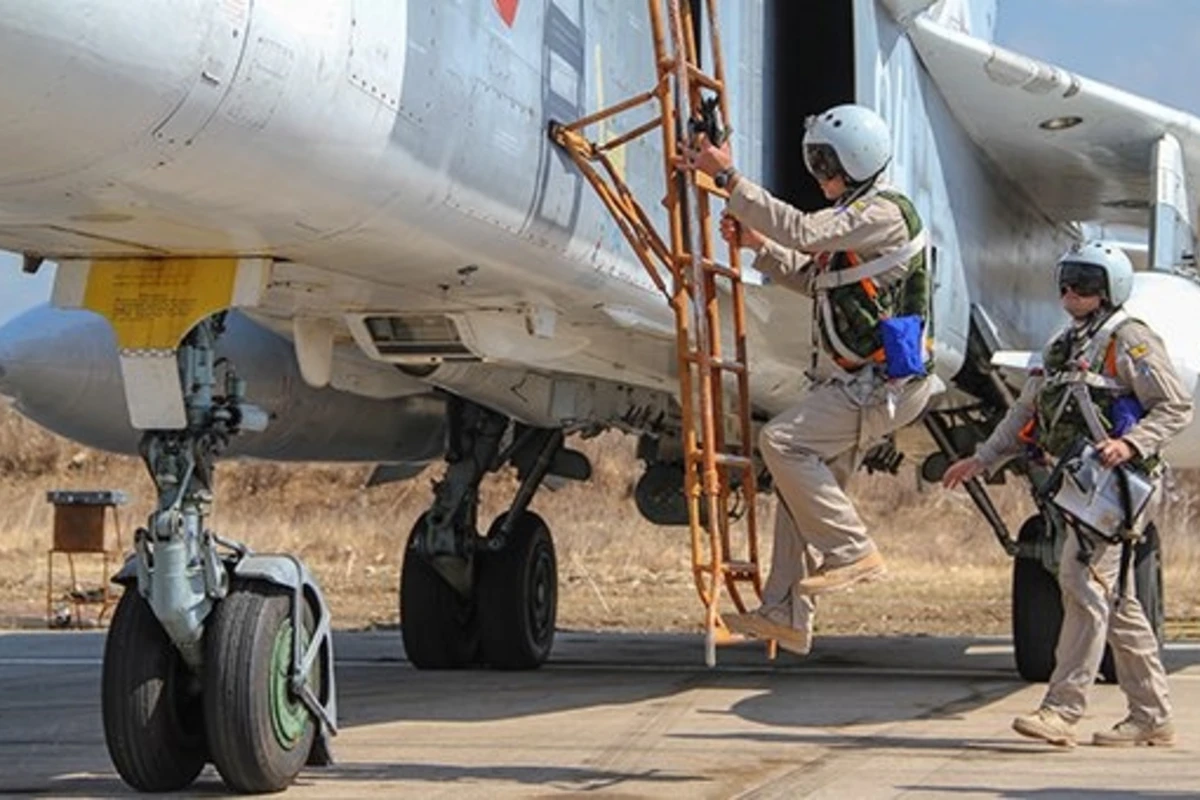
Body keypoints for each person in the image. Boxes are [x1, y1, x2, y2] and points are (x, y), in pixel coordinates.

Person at [683, 104, 942, 655]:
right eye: (816, 160)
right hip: (857, 384)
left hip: (878, 386)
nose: (821, 173)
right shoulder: (856, 221)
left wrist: (728, 177)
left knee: (781, 442)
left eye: (829, 162)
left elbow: (803, 232)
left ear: (859, 161)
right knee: (803, 496)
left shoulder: (883, 214)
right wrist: (758, 248)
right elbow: (816, 278)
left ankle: (850, 551)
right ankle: (785, 612)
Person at [942, 240, 1193, 747]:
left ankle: (1062, 710)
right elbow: (1024, 413)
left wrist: (1130, 443)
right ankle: (1152, 714)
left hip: (1114, 491)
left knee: (1081, 585)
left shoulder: (1132, 341)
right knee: (1117, 601)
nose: (1069, 291)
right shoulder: (1062, 345)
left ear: (1108, 290)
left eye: (1083, 283)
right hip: (1077, 489)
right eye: (1066, 280)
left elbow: (1174, 406)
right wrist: (984, 457)